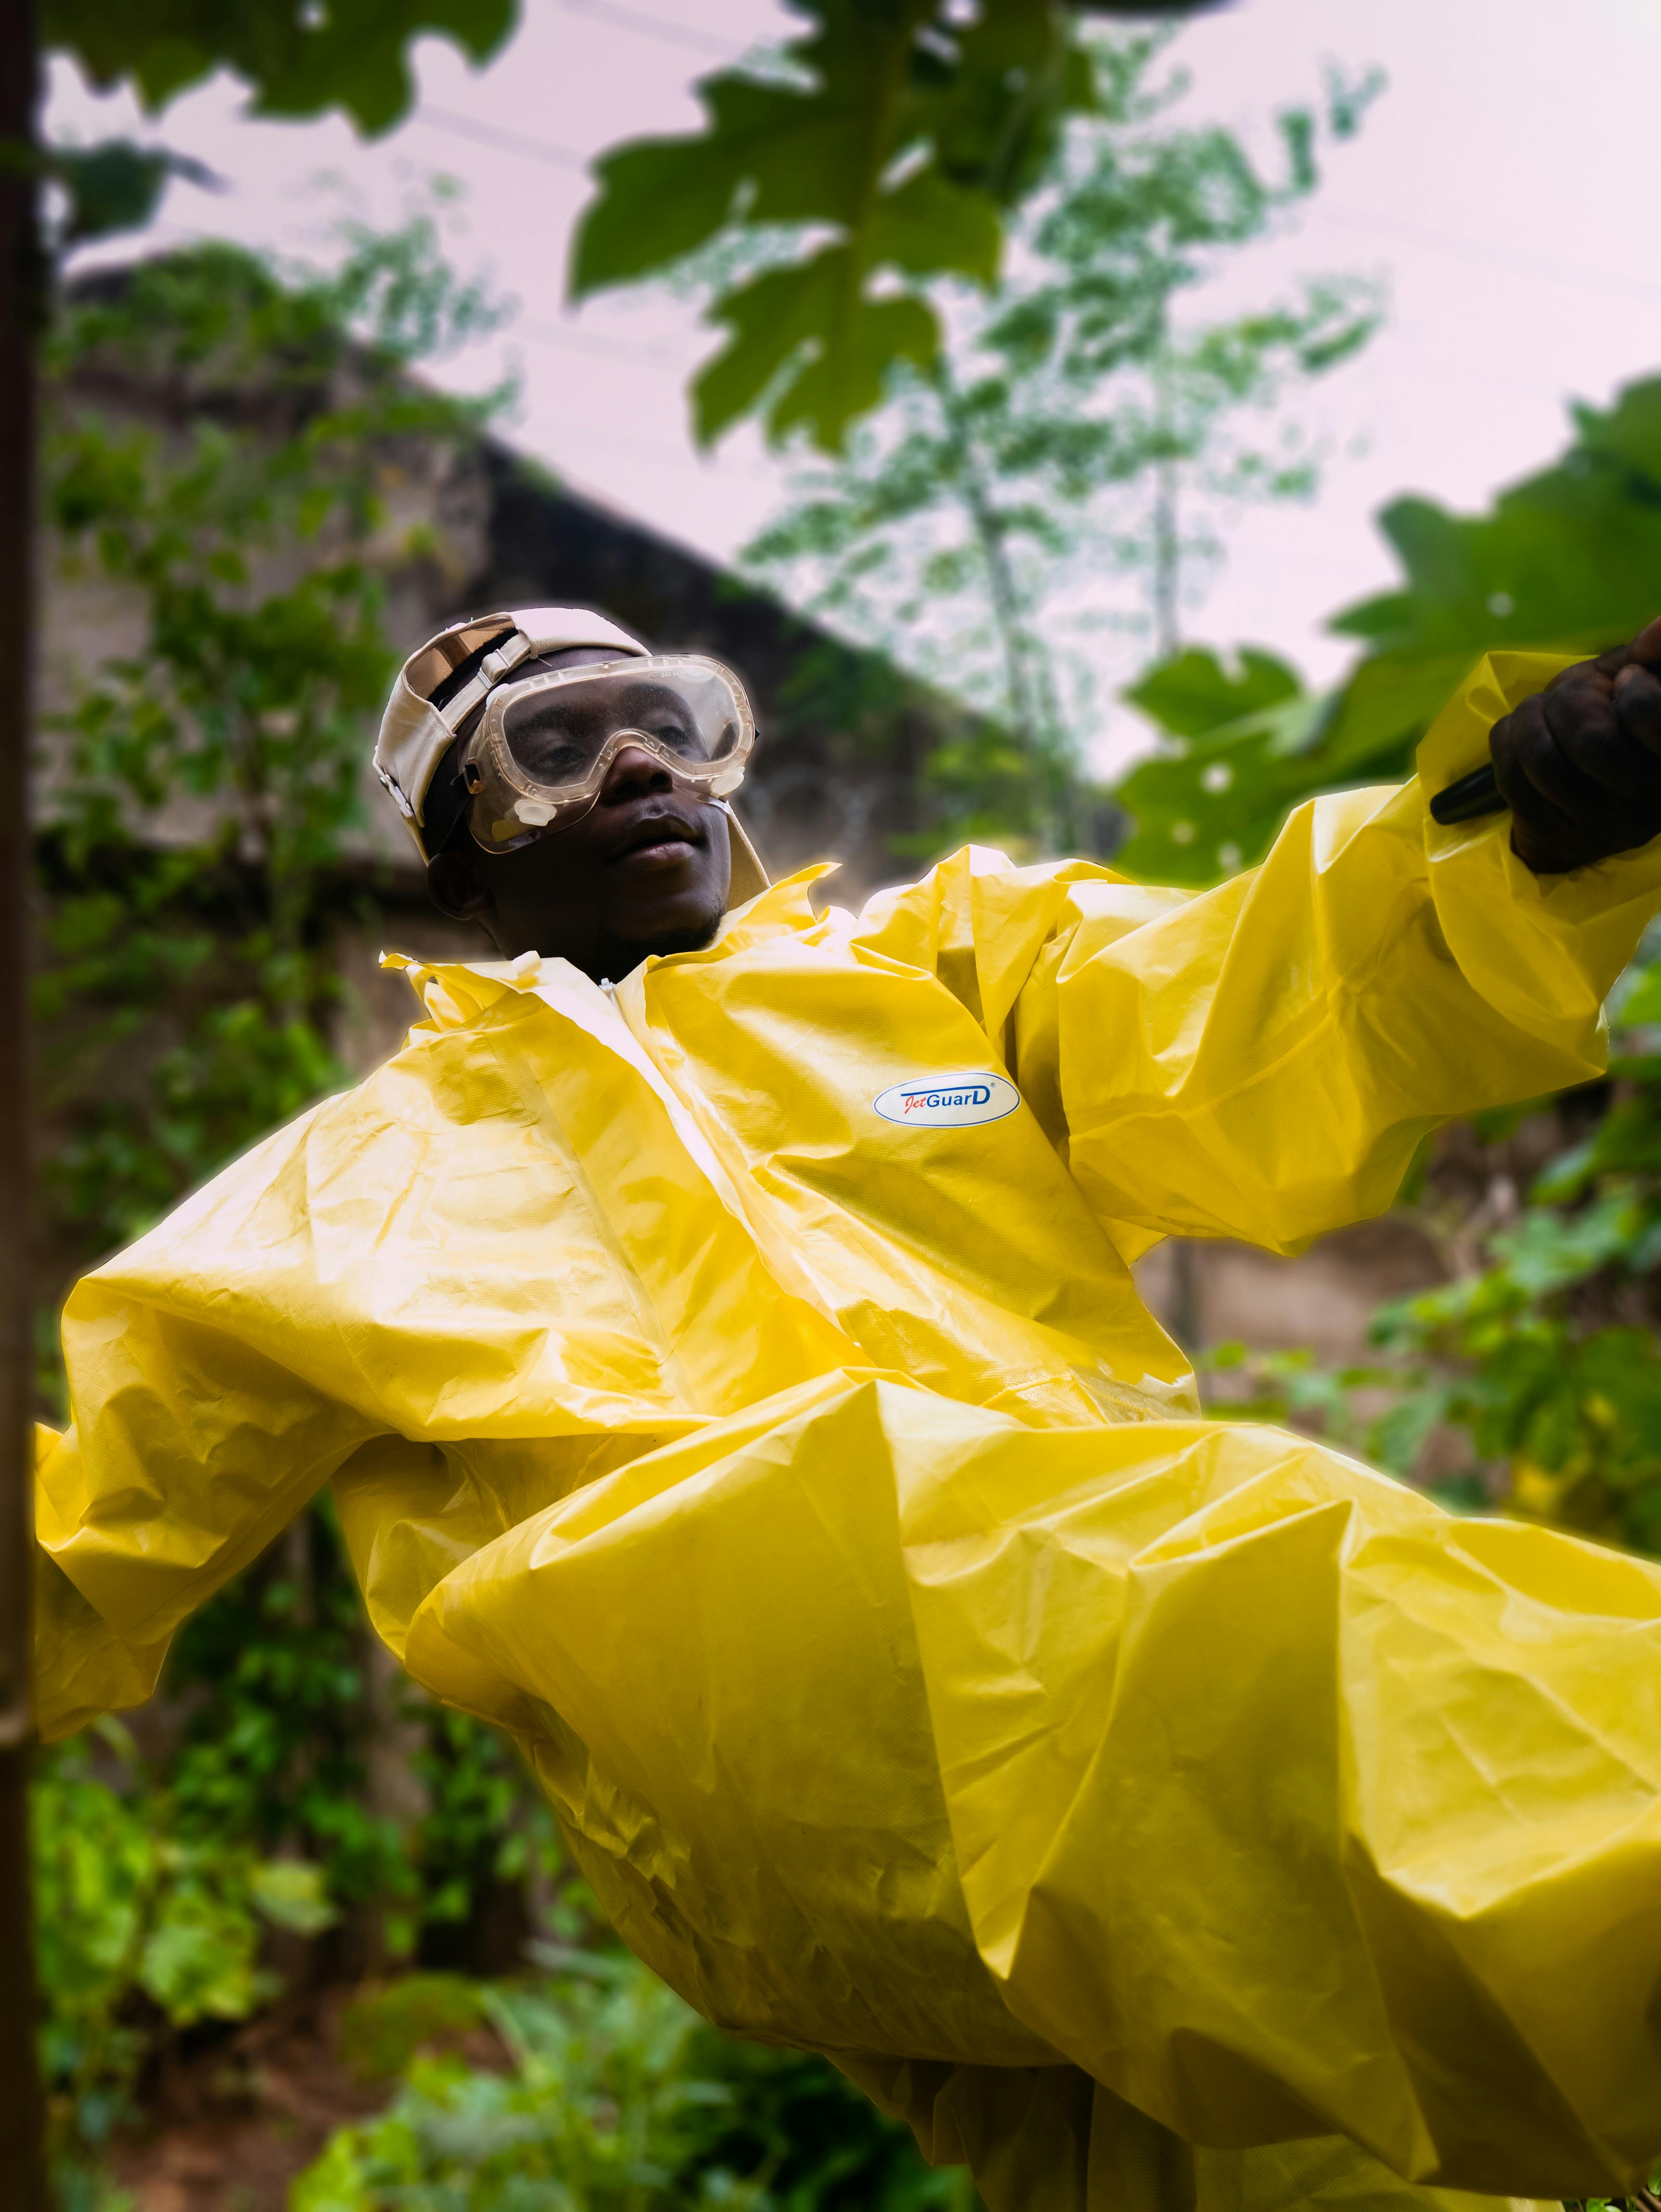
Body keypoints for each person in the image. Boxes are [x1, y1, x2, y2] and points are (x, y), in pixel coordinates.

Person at [32, 605, 1661, 2212]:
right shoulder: (345, 1195)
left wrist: (1528, 832)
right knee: (1284, 1629)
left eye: (670, 722)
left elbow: (1237, 996)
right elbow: (87, 1526)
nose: (635, 769)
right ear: (462, 863)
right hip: (790, 1722)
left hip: (1088, 1742)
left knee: (1278, 2152)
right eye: (550, 746)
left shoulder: (933, 979)